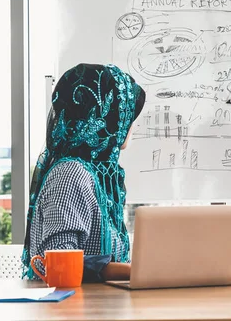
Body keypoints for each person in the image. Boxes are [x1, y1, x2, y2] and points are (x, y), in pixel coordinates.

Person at [21, 63, 146, 282]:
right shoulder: (71, 174)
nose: (131, 126)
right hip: (73, 309)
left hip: (101, 303)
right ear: (108, 118)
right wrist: (133, 270)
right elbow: (59, 259)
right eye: (126, 116)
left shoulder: (98, 176)